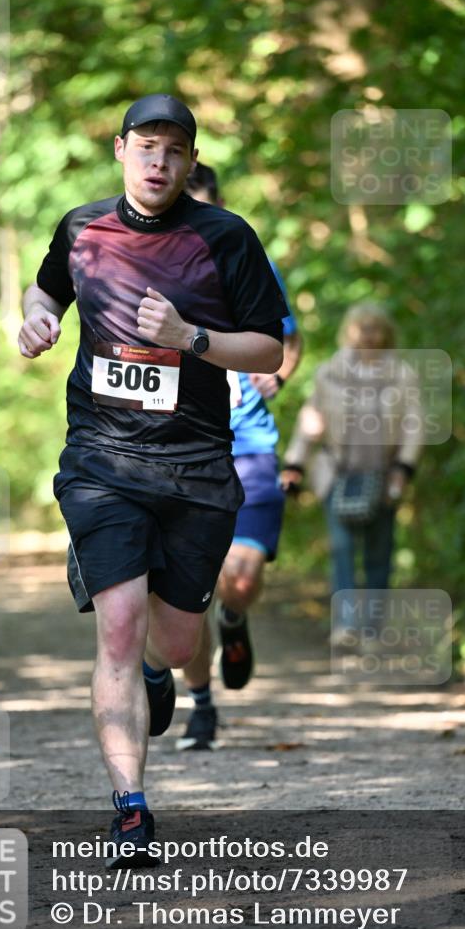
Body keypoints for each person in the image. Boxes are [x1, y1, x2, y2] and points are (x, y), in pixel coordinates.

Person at [16, 95, 286, 861]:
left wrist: (189, 338)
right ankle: (130, 808)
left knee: (167, 641)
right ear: (119, 149)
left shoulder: (226, 238)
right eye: (145, 146)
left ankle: (157, 675)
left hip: (198, 466)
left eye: (174, 150)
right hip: (101, 461)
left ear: (190, 160)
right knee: (120, 625)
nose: (158, 162)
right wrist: (37, 319)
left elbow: (267, 350)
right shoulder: (81, 228)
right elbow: (47, 291)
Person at [177, 163, 302, 751]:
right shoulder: (150, 263)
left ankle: (234, 619)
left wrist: (278, 374)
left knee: (240, 577)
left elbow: (288, 337)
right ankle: (201, 707)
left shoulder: (248, 257)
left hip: (248, 443)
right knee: (187, 588)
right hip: (179, 447)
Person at [280, 302, 423, 642]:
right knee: (341, 547)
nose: (369, 335)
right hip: (337, 474)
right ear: (349, 330)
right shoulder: (330, 372)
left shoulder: (403, 375)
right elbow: (310, 422)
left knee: (379, 551)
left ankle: (373, 628)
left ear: (386, 333)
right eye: (362, 327)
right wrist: (294, 465)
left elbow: (414, 426)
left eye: (375, 327)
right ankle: (345, 624)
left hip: (384, 475)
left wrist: (403, 469)